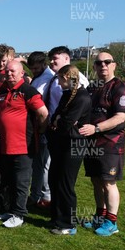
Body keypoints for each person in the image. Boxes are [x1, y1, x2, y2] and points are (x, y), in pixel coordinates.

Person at [79, 52, 125, 236]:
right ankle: (99, 217)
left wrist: (97, 128)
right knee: (96, 181)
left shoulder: (120, 87)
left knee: (108, 182)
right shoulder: (92, 87)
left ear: (114, 65)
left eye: (107, 62)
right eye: (99, 63)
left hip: (111, 143)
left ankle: (112, 222)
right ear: (94, 66)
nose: (103, 65)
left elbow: (120, 117)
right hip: (92, 143)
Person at [0, 60, 48, 228]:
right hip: (5, 145)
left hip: (24, 145)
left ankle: (19, 214)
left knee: (21, 182)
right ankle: (10, 210)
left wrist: (40, 131)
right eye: (7, 71)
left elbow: (43, 113)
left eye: (13, 71)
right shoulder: (3, 91)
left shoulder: (28, 90)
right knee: (9, 180)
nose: (9, 74)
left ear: (22, 73)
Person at [46, 65, 91, 235]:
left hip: (74, 146)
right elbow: (55, 118)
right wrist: (59, 120)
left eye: (59, 79)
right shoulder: (67, 95)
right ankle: (57, 218)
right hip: (61, 144)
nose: (57, 82)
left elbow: (64, 124)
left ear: (66, 77)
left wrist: (60, 121)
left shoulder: (82, 97)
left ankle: (68, 224)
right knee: (54, 180)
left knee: (65, 184)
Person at [28, 51, 54, 209]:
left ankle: (46, 196)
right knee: (38, 164)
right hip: (37, 127)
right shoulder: (40, 76)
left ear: (44, 64)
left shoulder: (47, 77)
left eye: (37, 68)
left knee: (44, 163)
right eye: (32, 68)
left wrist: (43, 128)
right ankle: (36, 194)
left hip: (44, 126)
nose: (34, 71)